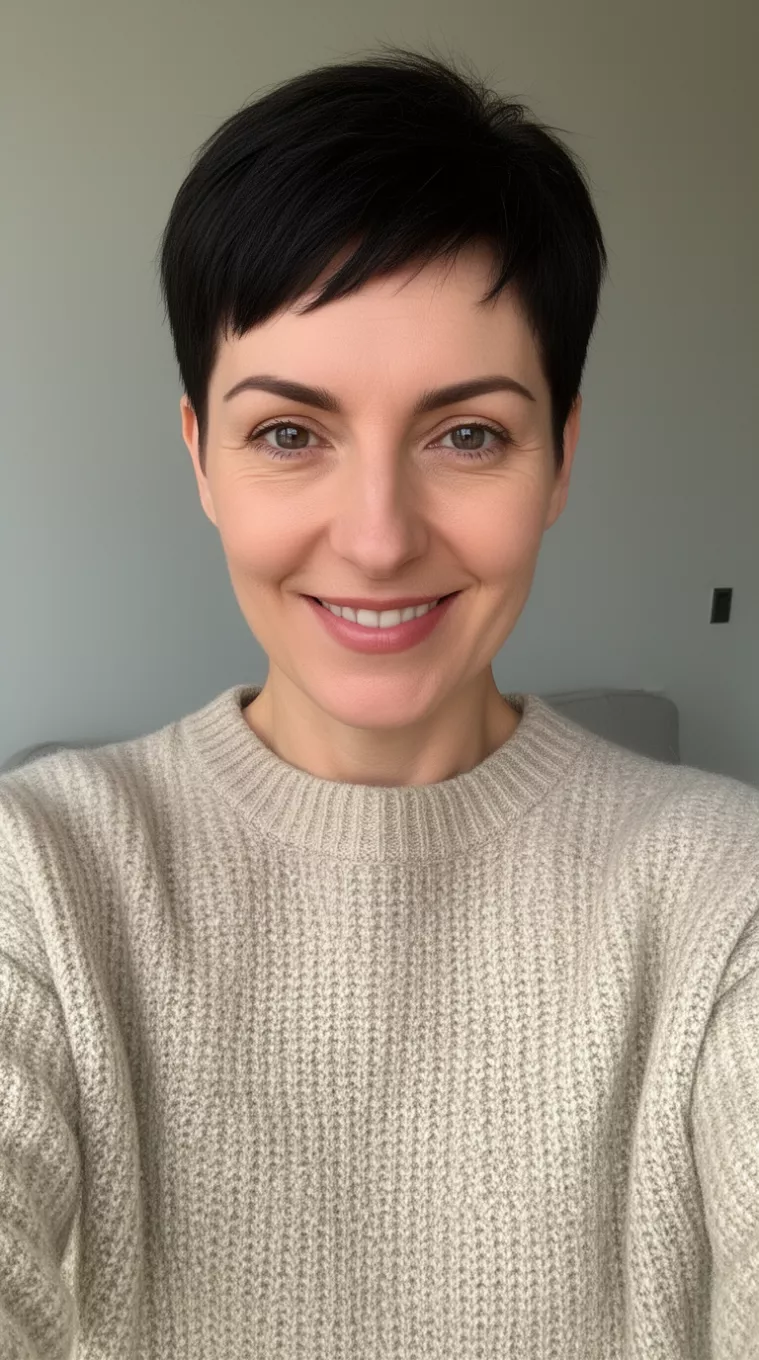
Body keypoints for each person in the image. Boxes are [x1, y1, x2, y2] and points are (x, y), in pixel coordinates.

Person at [1, 43, 757, 1360]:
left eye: (466, 434)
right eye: (287, 433)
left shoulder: (720, 896)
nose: (375, 537)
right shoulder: (41, 878)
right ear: (201, 458)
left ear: (559, 457)